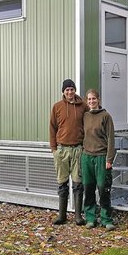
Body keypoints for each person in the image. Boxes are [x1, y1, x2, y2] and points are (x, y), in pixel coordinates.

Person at [49, 79, 87, 225]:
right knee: (62, 183)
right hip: (61, 150)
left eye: (72, 89)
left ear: (75, 90)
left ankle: (78, 216)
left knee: (78, 183)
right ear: (63, 92)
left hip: (78, 149)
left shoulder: (83, 106)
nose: (70, 92)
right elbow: (52, 128)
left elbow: (90, 123)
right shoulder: (57, 107)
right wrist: (54, 149)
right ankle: (62, 216)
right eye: (67, 90)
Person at [81, 89, 116, 230]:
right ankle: (90, 218)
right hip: (87, 156)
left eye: (93, 99)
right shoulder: (85, 116)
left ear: (98, 100)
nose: (91, 101)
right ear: (86, 101)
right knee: (88, 188)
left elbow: (111, 139)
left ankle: (106, 219)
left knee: (103, 188)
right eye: (89, 99)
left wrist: (109, 159)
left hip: (101, 157)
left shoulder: (106, 116)